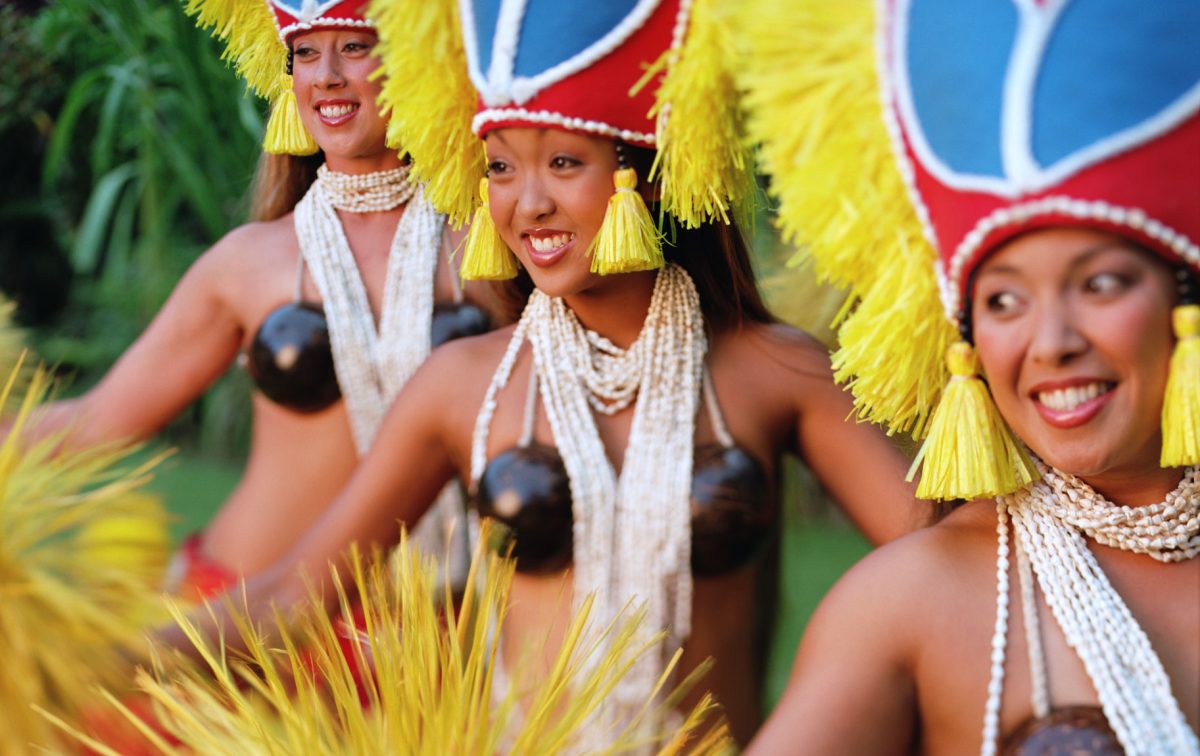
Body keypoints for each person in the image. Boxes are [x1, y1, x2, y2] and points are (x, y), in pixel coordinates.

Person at [157, 0, 921, 746]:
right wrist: (104, 662)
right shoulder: (463, 387)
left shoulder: (772, 371)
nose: (527, 204)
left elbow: (943, 565)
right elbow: (297, 594)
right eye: (499, 168)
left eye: (562, 163)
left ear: (643, 176)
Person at [739, 0, 1200, 752]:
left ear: (1186, 300)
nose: (1049, 344)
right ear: (967, 339)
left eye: (1101, 284)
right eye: (1005, 300)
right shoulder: (916, 600)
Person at [11, 0, 496, 598]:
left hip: (432, 653)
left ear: (415, 62)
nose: (326, 76)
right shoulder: (247, 263)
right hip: (238, 630)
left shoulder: (488, 252)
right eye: (306, 53)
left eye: (354, 46)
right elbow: (96, 422)